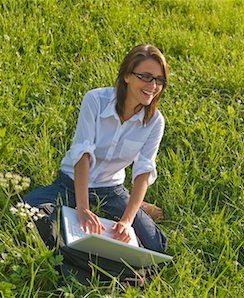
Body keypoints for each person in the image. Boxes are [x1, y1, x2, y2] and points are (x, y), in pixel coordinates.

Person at [24, 44, 168, 253]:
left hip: (111, 190)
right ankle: (136, 207)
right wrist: (83, 209)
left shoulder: (155, 122)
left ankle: (135, 206)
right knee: (28, 211)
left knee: (155, 245)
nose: (153, 86)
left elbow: (143, 171)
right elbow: (82, 154)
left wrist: (127, 221)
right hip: (71, 182)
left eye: (159, 80)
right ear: (127, 75)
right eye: (145, 76)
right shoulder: (95, 100)